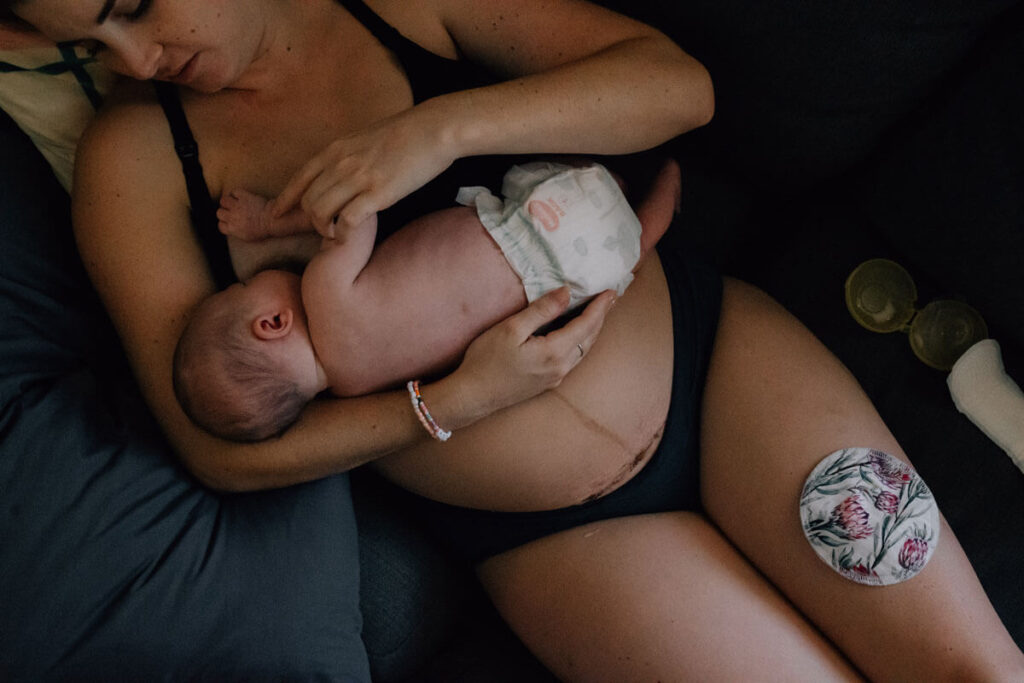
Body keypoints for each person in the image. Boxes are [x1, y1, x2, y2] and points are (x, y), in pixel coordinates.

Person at [9, 0, 1024, 679]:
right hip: (560, 536)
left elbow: (677, 86)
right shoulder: (138, 151)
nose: (137, 60)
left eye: (132, 5)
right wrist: (450, 403)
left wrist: (437, 131)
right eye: (92, 48)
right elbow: (214, 448)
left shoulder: (394, 6)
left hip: (720, 372)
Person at [175, 159, 677, 442]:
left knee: (632, 250)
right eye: (243, 286)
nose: (254, 277)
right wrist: (267, 223)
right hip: (527, 222)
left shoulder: (354, 390)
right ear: (272, 323)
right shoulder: (320, 292)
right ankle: (633, 176)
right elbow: (356, 216)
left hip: (557, 285)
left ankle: (664, 200)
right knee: (592, 176)